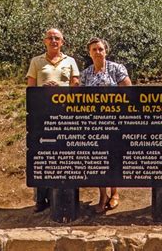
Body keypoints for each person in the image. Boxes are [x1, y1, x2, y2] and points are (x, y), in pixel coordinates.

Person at [26, 28, 80, 211]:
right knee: (42, 155)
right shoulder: (36, 61)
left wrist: (61, 89)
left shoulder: (70, 61)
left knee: (66, 154)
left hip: (66, 114)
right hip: (44, 114)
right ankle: (41, 200)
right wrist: (44, 91)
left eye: (57, 38)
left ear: (62, 42)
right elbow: (30, 89)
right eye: (50, 38)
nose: (53, 41)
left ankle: (68, 197)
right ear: (45, 41)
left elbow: (76, 85)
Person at [80, 37, 132, 214]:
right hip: (94, 122)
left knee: (114, 156)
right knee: (99, 159)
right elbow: (79, 98)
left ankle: (115, 193)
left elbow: (129, 92)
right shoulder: (86, 73)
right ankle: (102, 195)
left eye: (100, 49)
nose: (97, 52)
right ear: (89, 53)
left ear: (106, 51)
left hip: (115, 120)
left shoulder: (116, 68)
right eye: (94, 49)